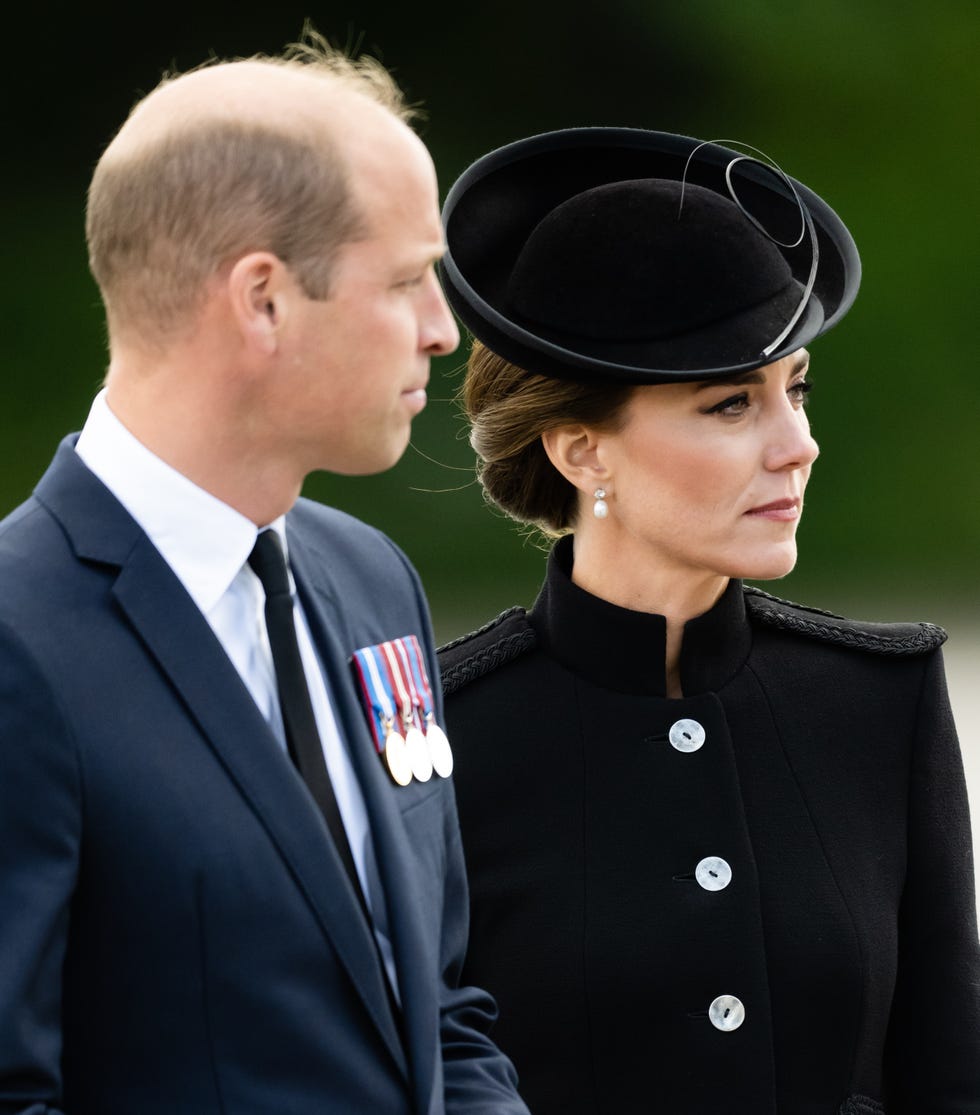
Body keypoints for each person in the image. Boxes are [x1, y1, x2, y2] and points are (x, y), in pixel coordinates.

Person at [0, 37, 530, 1115]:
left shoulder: (369, 576)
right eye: (405, 278)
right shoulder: (17, 638)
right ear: (263, 299)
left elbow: (434, 1004)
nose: (442, 329)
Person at [437, 127, 980, 1114]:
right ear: (578, 451)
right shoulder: (441, 741)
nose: (797, 445)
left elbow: (945, 1073)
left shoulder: (878, 702)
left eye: (794, 389)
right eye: (730, 404)